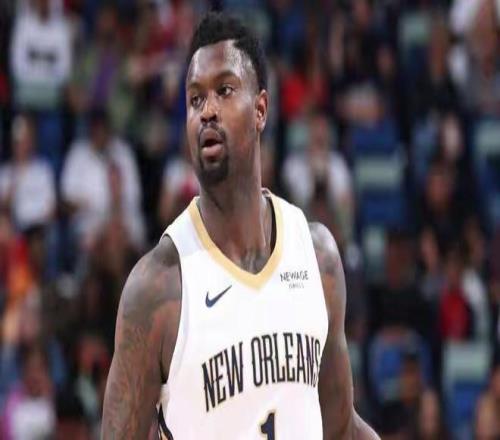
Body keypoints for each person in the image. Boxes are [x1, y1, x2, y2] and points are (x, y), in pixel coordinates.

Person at [102, 12, 379, 439]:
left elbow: (341, 428)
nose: (207, 111)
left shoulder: (317, 257)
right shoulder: (157, 288)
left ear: (261, 110)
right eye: (195, 99)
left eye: (224, 91)